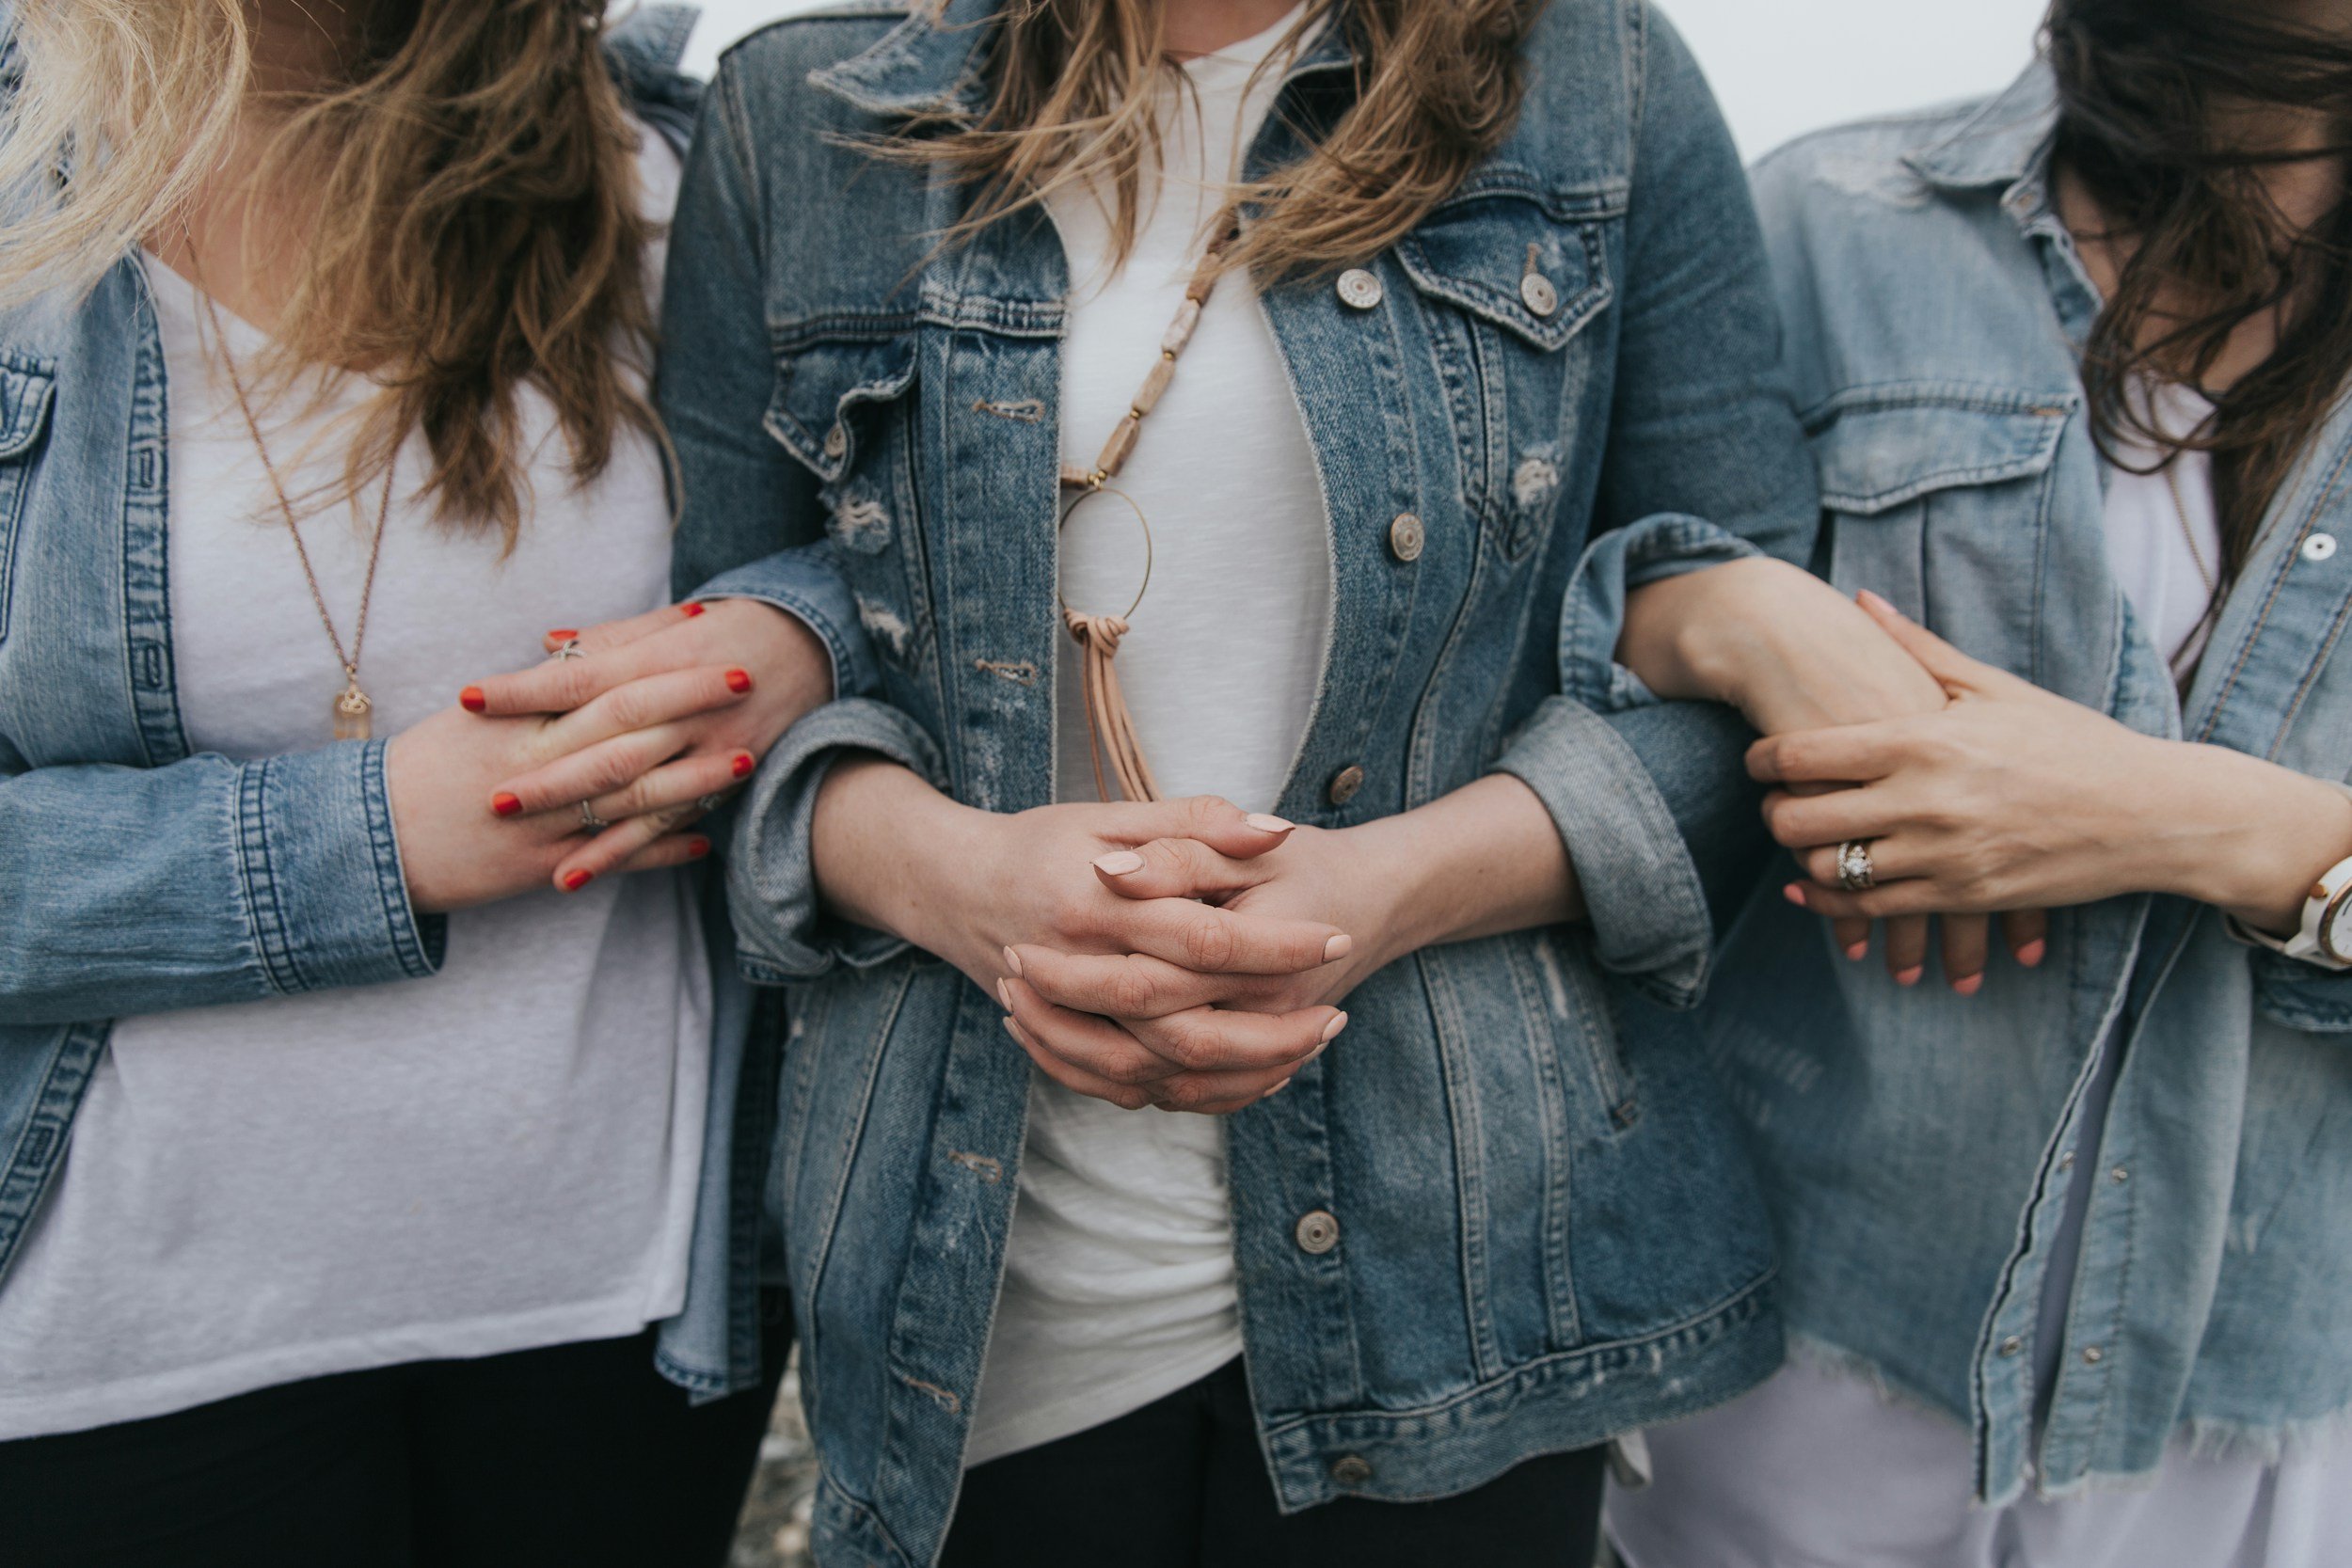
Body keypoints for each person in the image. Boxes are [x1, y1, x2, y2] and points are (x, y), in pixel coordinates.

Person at [470, 0, 2020, 1561]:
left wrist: (1388, 892)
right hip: (980, 1294)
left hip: (1467, 1285)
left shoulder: (1596, 77)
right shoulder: (803, 111)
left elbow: (1719, 684)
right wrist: (959, 882)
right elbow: (736, 682)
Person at [0, 4, 863, 1562]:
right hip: (123, 1352)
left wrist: (797, 632)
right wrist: (372, 839)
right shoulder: (28, 200)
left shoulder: (687, 159)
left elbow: (930, 542)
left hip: (619, 1313)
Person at [1600, 0, 2352, 1561]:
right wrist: (1739, 612)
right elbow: (1568, 643)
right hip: (1800, 1345)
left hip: (2255, 1403)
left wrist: (2174, 818)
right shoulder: (1831, 223)